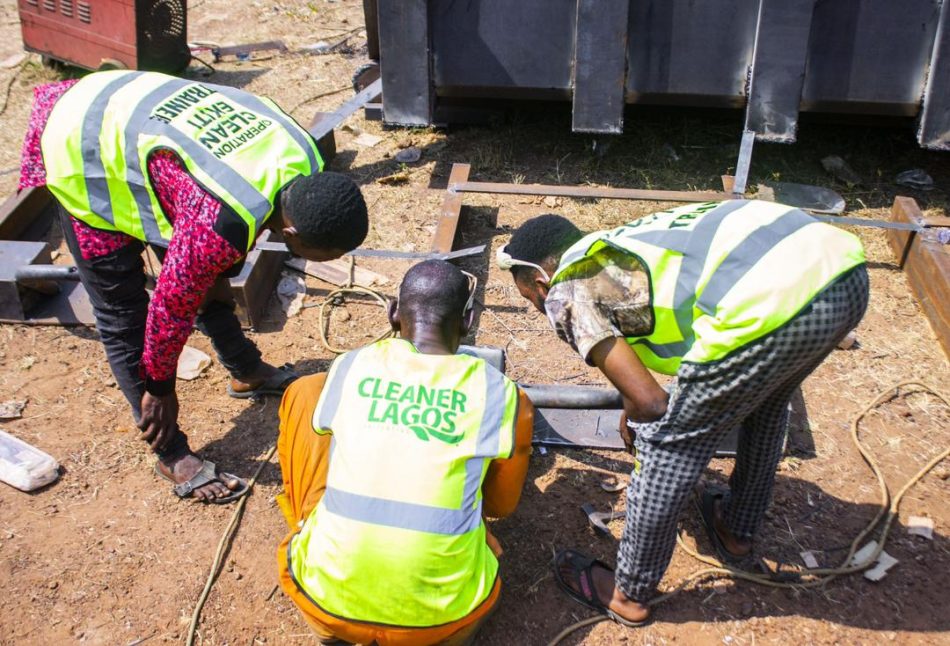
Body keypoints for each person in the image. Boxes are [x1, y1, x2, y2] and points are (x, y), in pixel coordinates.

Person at [497, 200, 868, 625]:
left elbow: (653, 403)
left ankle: (628, 593)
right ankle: (735, 527)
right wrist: (632, 402)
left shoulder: (565, 287)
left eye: (531, 300)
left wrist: (639, 412)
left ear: (542, 280)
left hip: (772, 304)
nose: (538, 309)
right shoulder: (614, 247)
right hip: (842, 272)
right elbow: (640, 389)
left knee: (668, 447)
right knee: (765, 405)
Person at [18, 70, 369, 503]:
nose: (332, 262)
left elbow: (210, 264)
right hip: (85, 137)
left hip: (148, 130)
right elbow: (170, 308)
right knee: (122, 309)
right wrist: (160, 389)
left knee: (208, 268)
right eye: (328, 255)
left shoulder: (306, 163)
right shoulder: (216, 223)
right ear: (293, 232)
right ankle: (169, 451)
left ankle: (245, 371)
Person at [275, 260, 534, 645]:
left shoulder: (351, 365)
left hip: (324, 604)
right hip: (439, 623)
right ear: (469, 319)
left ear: (393, 312)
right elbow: (500, 506)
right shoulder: (500, 393)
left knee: (306, 393)